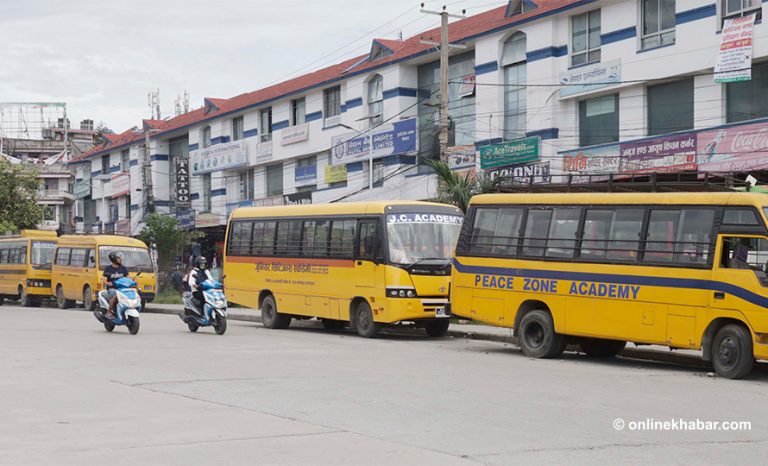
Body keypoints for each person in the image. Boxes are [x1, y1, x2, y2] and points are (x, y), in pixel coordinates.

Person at [103, 251, 129, 319]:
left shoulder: (123, 268)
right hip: (112, 288)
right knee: (115, 295)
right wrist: (108, 283)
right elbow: (104, 280)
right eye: (118, 258)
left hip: (122, 288)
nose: (120, 259)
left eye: (120, 258)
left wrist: (133, 281)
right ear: (113, 259)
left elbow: (128, 278)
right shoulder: (108, 269)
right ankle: (108, 312)